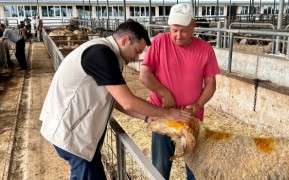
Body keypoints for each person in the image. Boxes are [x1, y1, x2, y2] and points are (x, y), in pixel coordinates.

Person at [39, 19, 192, 180]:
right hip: (72, 134)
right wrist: (168, 114)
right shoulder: (101, 54)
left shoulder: (109, 54)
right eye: (137, 50)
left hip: (76, 132)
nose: (136, 57)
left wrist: (147, 117)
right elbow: (128, 101)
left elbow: (116, 100)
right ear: (125, 40)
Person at [139, 3, 220, 180]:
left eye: (183, 30)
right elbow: (144, 75)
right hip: (164, 116)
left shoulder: (205, 49)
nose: (178, 35)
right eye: (174, 30)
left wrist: (197, 105)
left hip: (191, 119)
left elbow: (211, 84)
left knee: (194, 166)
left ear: (193, 25)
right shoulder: (160, 41)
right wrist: (164, 93)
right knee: (160, 166)